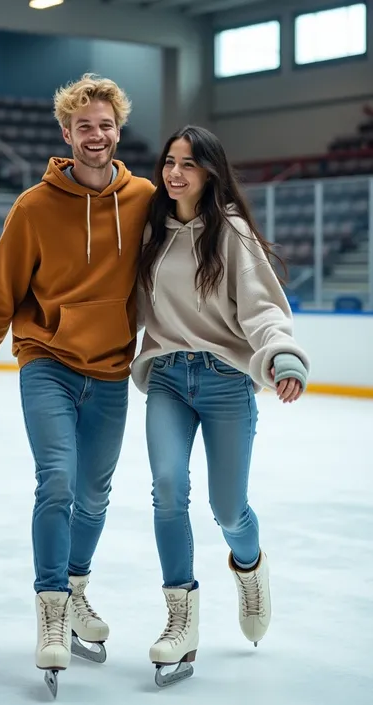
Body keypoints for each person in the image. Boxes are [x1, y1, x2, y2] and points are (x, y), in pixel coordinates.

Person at [0, 74, 155, 680]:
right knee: (58, 481)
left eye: (106, 125)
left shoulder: (143, 197)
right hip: (48, 363)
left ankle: (75, 587)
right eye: (84, 126)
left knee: (95, 495)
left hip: (113, 369)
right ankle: (50, 608)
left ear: (118, 131)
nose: (96, 135)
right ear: (66, 133)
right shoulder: (34, 207)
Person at [131, 125, 309, 685]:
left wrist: (282, 356)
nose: (175, 172)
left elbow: (262, 308)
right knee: (166, 487)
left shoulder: (230, 231)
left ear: (210, 171)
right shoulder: (150, 233)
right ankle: (180, 617)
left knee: (229, 509)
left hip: (226, 380)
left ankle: (250, 566)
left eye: (189, 163)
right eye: (169, 162)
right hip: (166, 378)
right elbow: (123, 303)